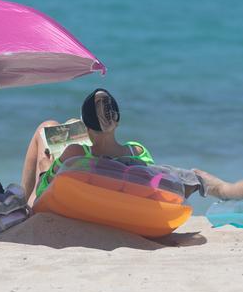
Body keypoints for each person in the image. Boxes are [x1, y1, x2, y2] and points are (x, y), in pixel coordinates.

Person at [20, 88, 153, 206]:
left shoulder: (75, 153)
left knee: (45, 127)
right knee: (70, 122)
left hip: (76, 207)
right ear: (116, 120)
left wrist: (45, 169)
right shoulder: (137, 151)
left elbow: (42, 191)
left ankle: (22, 202)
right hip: (121, 204)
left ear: (85, 128)